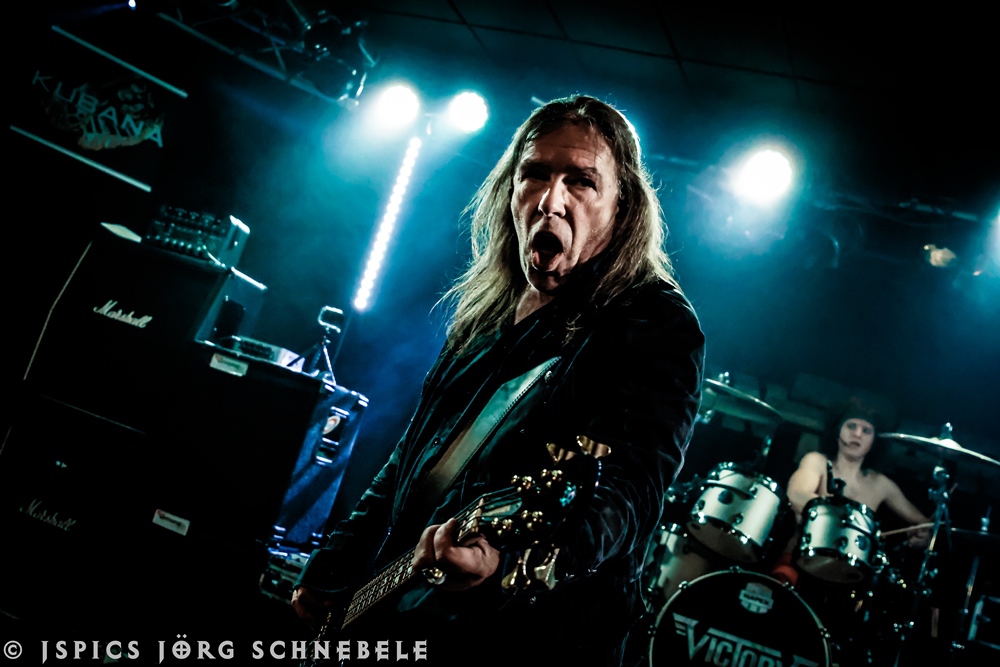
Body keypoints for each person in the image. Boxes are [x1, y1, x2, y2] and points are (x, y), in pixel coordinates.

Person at [290, 95, 706, 666]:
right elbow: (415, 454)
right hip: (412, 604)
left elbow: (629, 493)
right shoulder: (492, 306)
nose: (550, 200)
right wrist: (334, 564)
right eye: (535, 174)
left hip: (538, 639)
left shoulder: (654, 323)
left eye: (581, 181)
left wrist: (507, 563)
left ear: (622, 205)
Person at [771, 403, 932, 586]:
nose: (857, 434)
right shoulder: (817, 461)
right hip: (798, 562)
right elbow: (796, 494)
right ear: (837, 431)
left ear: (874, 441)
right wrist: (842, 514)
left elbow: (924, 524)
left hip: (850, 578)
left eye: (866, 430)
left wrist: (923, 537)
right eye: (851, 426)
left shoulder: (881, 484)